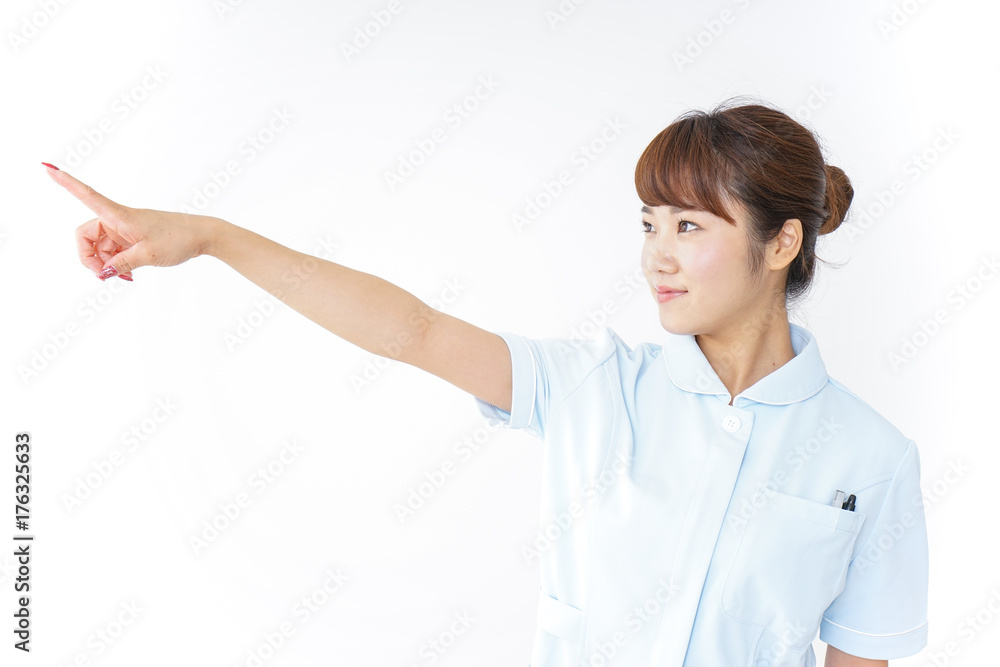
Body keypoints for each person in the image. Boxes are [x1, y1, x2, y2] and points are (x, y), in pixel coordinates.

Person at [45, 96, 928, 667]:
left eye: (689, 226)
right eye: (649, 223)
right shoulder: (594, 386)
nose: (657, 255)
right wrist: (212, 237)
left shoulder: (871, 458)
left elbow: (860, 657)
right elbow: (411, 328)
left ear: (781, 243)